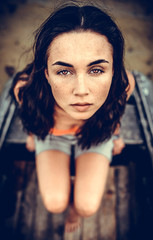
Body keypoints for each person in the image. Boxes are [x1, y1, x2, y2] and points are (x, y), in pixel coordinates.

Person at [12, 3, 135, 233]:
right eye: (64, 71)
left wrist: (115, 134)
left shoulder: (124, 85)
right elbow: (28, 114)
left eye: (96, 69)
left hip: (97, 135)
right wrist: (32, 135)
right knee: (54, 202)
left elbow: (117, 108)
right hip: (51, 135)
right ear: (47, 73)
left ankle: (74, 210)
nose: (81, 90)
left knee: (87, 207)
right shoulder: (25, 90)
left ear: (114, 70)